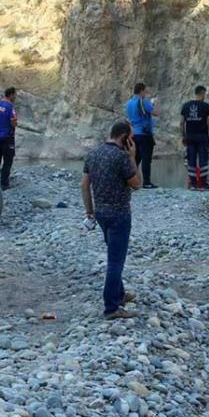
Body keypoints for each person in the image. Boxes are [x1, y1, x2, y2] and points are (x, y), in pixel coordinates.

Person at [81, 120, 143, 320]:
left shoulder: (93, 154)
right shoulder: (121, 157)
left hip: (101, 214)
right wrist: (133, 158)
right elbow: (136, 184)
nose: (132, 142)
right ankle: (111, 307)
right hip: (120, 215)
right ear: (125, 137)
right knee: (116, 261)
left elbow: (84, 185)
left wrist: (89, 211)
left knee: (113, 253)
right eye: (131, 138)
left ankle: (119, 294)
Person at [125, 83, 159, 189]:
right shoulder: (144, 102)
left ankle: (130, 180)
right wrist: (156, 104)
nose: (146, 93)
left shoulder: (129, 103)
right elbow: (156, 113)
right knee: (146, 158)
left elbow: (128, 118)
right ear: (141, 91)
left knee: (135, 158)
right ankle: (147, 182)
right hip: (144, 134)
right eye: (145, 91)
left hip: (134, 133)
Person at [181, 85, 209, 190]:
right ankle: (204, 184)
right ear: (202, 93)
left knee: (191, 160)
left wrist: (183, 136)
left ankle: (193, 184)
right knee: (203, 160)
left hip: (190, 137)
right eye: (205, 94)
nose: (205, 96)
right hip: (202, 137)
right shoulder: (205, 106)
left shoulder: (186, 106)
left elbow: (182, 123)